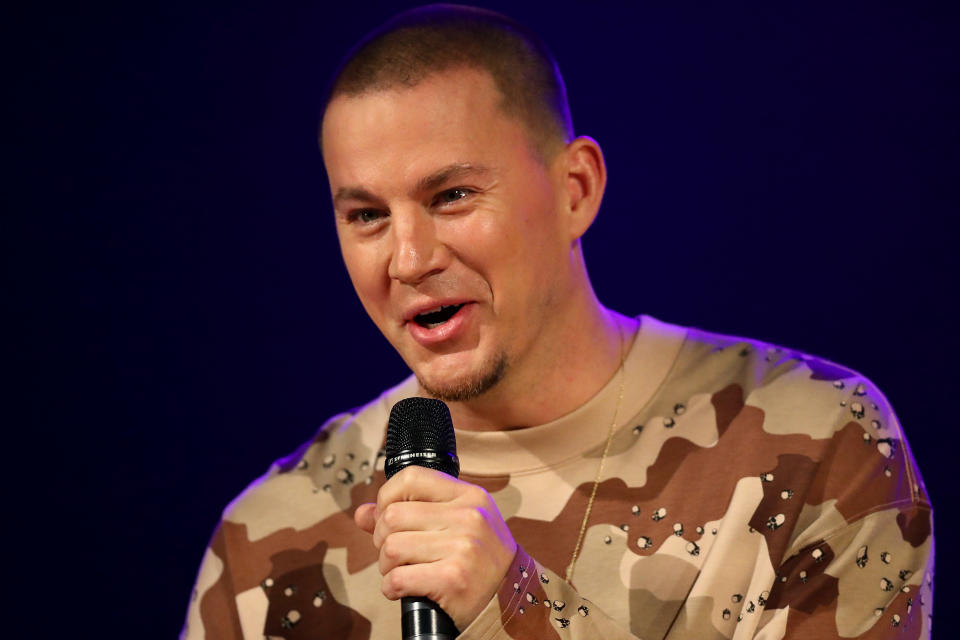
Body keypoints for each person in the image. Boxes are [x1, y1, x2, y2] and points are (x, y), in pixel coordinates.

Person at [180, 5, 934, 639]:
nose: (407, 260)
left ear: (575, 190)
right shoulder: (269, 539)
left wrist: (514, 609)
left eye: (452, 197)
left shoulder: (819, 441)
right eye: (367, 216)